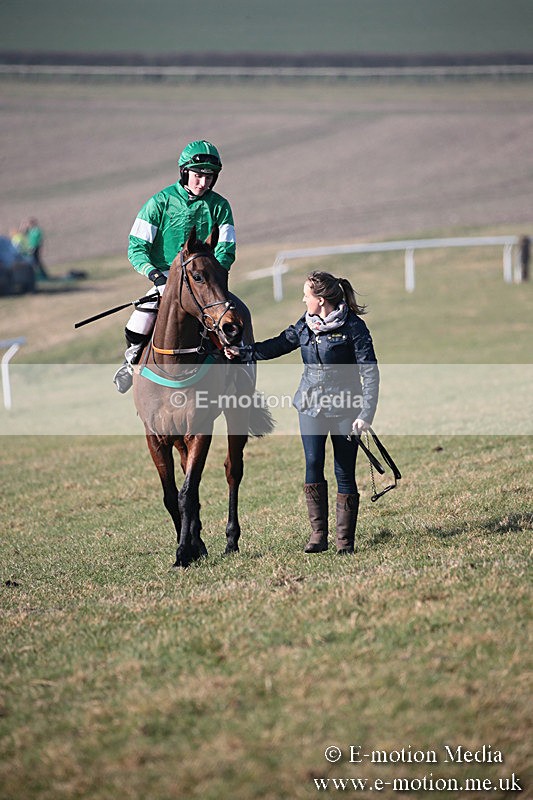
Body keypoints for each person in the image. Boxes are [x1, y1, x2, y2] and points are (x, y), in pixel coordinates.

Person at [225, 271, 379, 555]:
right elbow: (278, 345)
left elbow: (369, 373)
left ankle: (345, 543)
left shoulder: (354, 328)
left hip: (346, 409)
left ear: (320, 300)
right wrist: (244, 352)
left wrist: (366, 412)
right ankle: (318, 536)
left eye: (306, 294)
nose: (303, 298)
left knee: (344, 471)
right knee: (312, 463)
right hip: (310, 406)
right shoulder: (305, 326)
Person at [113, 140, 236, 393]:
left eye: (209, 177)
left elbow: (226, 249)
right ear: (184, 172)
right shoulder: (159, 202)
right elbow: (136, 247)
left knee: (233, 320)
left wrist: (213, 277)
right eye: (198, 176)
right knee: (137, 322)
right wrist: (156, 276)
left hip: (205, 281)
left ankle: (239, 368)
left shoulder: (221, 206)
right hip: (167, 279)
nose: (203, 183)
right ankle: (131, 362)